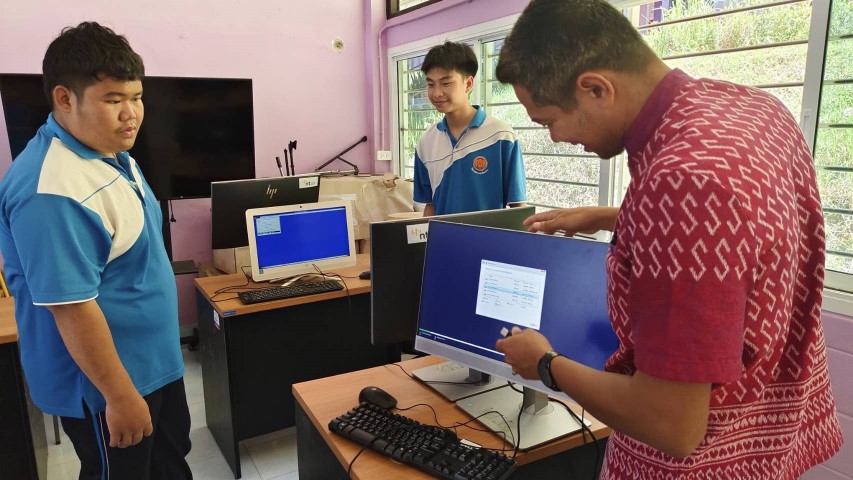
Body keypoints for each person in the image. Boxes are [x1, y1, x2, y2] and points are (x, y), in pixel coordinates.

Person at [492, 1, 842, 478]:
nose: (555, 138)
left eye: (549, 120)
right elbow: (751, 232)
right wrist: (617, 217)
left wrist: (545, 364)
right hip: (772, 438)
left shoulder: (680, 184)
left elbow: (671, 423)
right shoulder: (756, 110)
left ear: (596, 88)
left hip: (701, 464)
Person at [0, 22, 192, 479]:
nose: (132, 114)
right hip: (106, 386)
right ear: (65, 98)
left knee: (169, 465)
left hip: (154, 364)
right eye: (113, 100)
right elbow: (72, 307)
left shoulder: (111, 153)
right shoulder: (51, 190)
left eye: (137, 97)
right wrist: (119, 396)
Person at [413, 41, 527, 216]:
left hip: (488, 235)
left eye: (446, 83)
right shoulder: (426, 142)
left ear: (468, 84)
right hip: (442, 234)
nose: (436, 93)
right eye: (431, 84)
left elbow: (518, 206)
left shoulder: (501, 137)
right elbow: (430, 205)